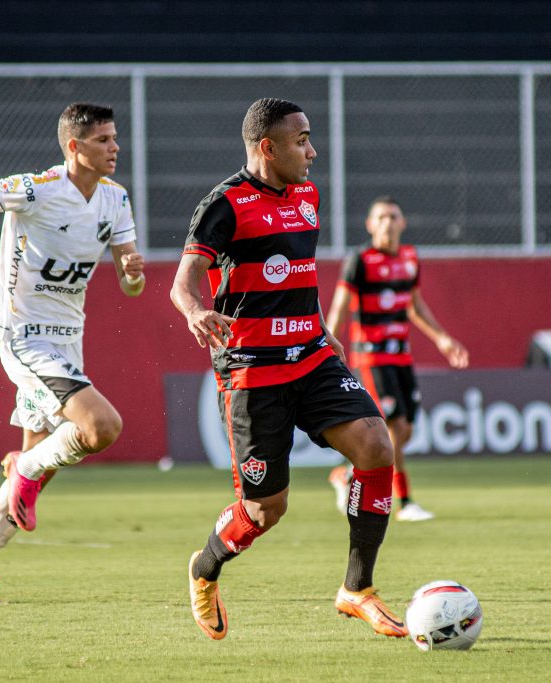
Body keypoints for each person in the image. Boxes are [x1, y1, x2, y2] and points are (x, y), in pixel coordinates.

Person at [170, 97, 407, 641]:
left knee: (377, 447)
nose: (312, 151)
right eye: (301, 141)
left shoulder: (306, 194)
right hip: (253, 373)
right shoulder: (224, 204)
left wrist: (321, 327)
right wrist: (196, 312)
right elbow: (183, 282)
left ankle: (357, 589)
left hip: (312, 357)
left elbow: (300, 273)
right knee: (265, 508)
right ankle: (205, 567)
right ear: (267, 147)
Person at [0, 102, 145, 604]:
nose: (115, 147)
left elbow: (129, 282)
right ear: (74, 147)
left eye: (115, 138)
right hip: (24, 336)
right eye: (103, 140)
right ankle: (24, 467)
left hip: (68, 340)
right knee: (101, 427)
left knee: (39, 466)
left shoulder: (116, 200)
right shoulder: (34, 189)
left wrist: (133, 274)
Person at [325, 197, 469, 522]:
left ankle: (347, 474)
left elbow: (415, 307)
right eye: (381, 217)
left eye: (394, 216)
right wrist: (329, 346)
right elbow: (339, 307)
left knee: (406, 432)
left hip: (401, 357)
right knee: (394, 428)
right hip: (372, 358)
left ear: (403, 223)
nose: (388, 222)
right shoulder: (360, 261)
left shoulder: (409, 258)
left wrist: (442, 338)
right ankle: (404, 502)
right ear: (370, 225)